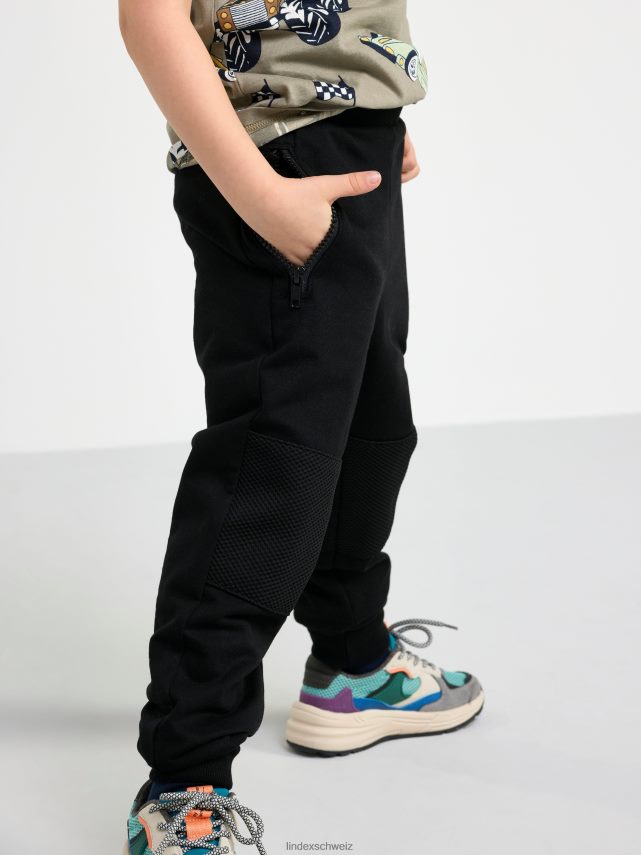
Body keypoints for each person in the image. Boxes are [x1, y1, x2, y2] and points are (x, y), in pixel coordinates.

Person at [118, 1, 484, 851]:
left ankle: (353, 662)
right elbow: (148, 15)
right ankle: (184, 774)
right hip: (273, 162)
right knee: (267, 472)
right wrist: (258, 193)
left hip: (345, 145)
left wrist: (371, 101)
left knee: (370, 430)